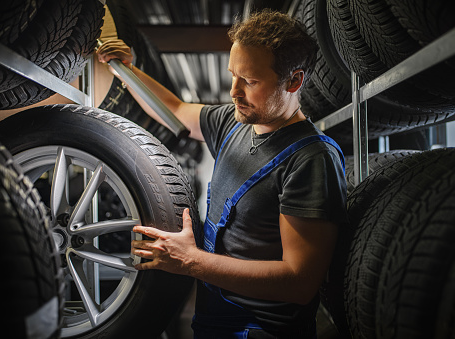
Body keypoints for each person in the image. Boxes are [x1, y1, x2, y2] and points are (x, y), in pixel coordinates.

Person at [97, 9, 347, 338]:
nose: (234, 91)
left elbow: (297, 283)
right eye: (233, 75)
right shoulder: (232, 123)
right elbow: (174, 108)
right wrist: (128, 71)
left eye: (251, 81)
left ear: (294, 81)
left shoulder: (311, 161)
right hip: (213, 323)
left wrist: (191, 261)